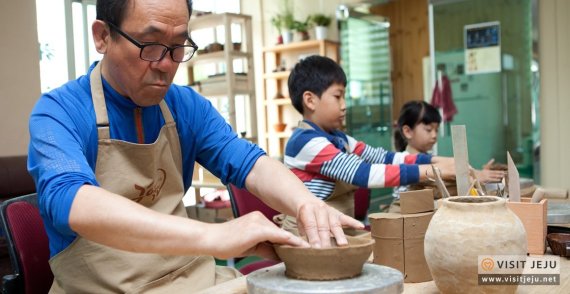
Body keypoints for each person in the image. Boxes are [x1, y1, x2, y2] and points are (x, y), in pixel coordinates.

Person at [27, 0, 362, 292]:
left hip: (192, 279)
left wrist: (305, 204)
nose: (166, 64)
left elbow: (248, 162)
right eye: (150, 44)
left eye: (177, 46)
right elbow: (74, 202)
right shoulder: (58, 113)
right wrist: (212, 236)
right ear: (102, 36)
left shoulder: (186, 106)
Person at [279, 55, 456, 233]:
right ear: (310, 100)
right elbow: (362, 173)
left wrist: (434, 160)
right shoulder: (305, 142)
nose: (344, 105)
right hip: (307, 234)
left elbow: (384, 158)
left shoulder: (341, 139)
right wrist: (434, 171)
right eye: (337, 97)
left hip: (333, 228)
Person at [394, 100, 505, 189]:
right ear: (408, 131)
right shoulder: (404, 165)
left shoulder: (431, 159)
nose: (434, 135)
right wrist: (474, 178)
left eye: (436, 130)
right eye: (428, 130)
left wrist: (477, 174)